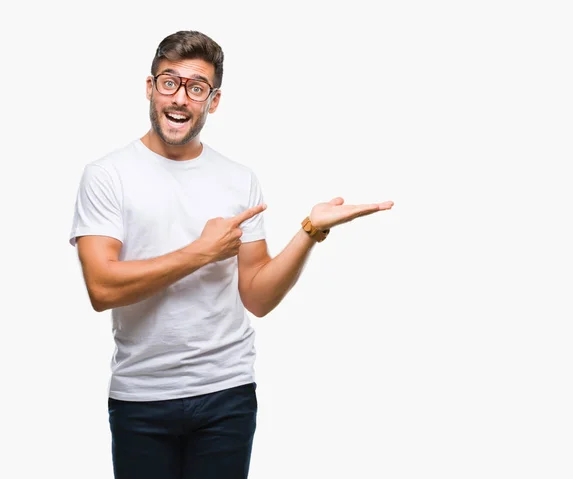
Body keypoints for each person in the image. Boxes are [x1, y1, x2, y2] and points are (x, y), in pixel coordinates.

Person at [69, 30, 394, 479]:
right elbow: (101, 287)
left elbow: (257, 297)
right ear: (150, 88)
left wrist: (309, 231)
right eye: (170, 82)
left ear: (213, 101)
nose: (180, 98)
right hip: (141, 397)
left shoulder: (238, 180)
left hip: (227, 393)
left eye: (196, 88)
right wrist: (200, 253)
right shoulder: (107, 175)